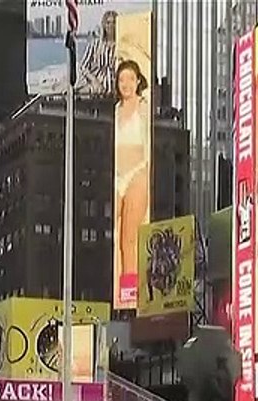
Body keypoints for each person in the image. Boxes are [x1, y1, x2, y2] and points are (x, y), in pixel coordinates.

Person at [112, 58, 151, 305]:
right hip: (116, 177)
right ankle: (116, 292)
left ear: (138, 81)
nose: (125, 84)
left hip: (137, 172)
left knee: (129, 239)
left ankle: (129, 295)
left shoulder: (144, 107)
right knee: (113, 237)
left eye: (129, 78)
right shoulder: (114, 111)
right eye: (121, 79)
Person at [78, 11, 118, 95]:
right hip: (97, 85)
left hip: (116, 87)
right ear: (104, 25)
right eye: (108, 23)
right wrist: (94, 80)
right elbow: (83, 66)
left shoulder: (121, 45)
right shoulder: (95, 44)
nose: (111, 26)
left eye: (114, 22)